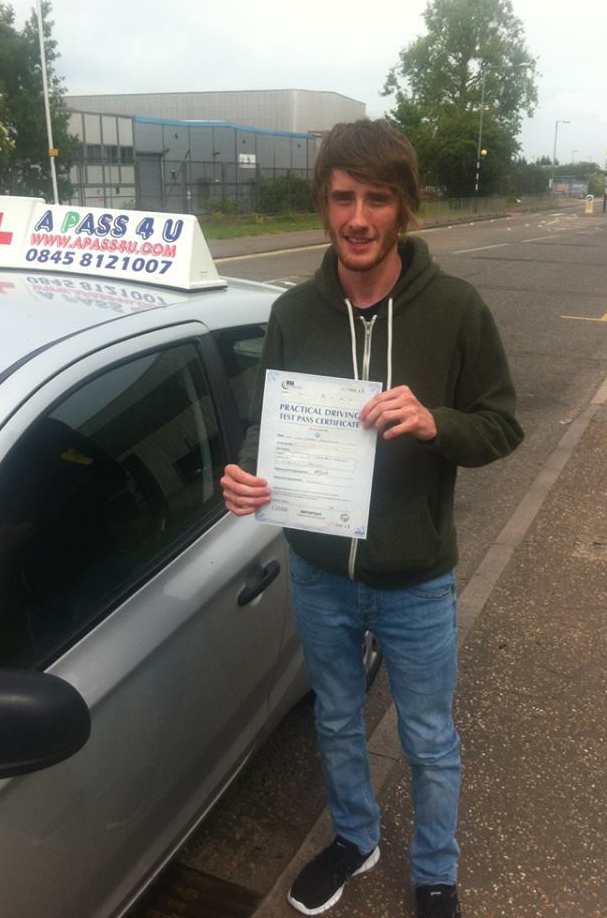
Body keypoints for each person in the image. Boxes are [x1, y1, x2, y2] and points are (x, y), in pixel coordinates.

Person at [221, 119, 523, 918]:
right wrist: (249, 477)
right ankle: (357, 838)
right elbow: (268, 426)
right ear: (324, 203)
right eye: (343, 196)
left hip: (415, 576)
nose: (357, 217)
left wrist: (437, 424)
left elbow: (502, 425)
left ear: (404, 208)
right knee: (336, 720)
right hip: (320, 571)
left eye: (377, 199)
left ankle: (434, 872)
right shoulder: (293, 312)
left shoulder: (456, 310)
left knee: (427, 739)